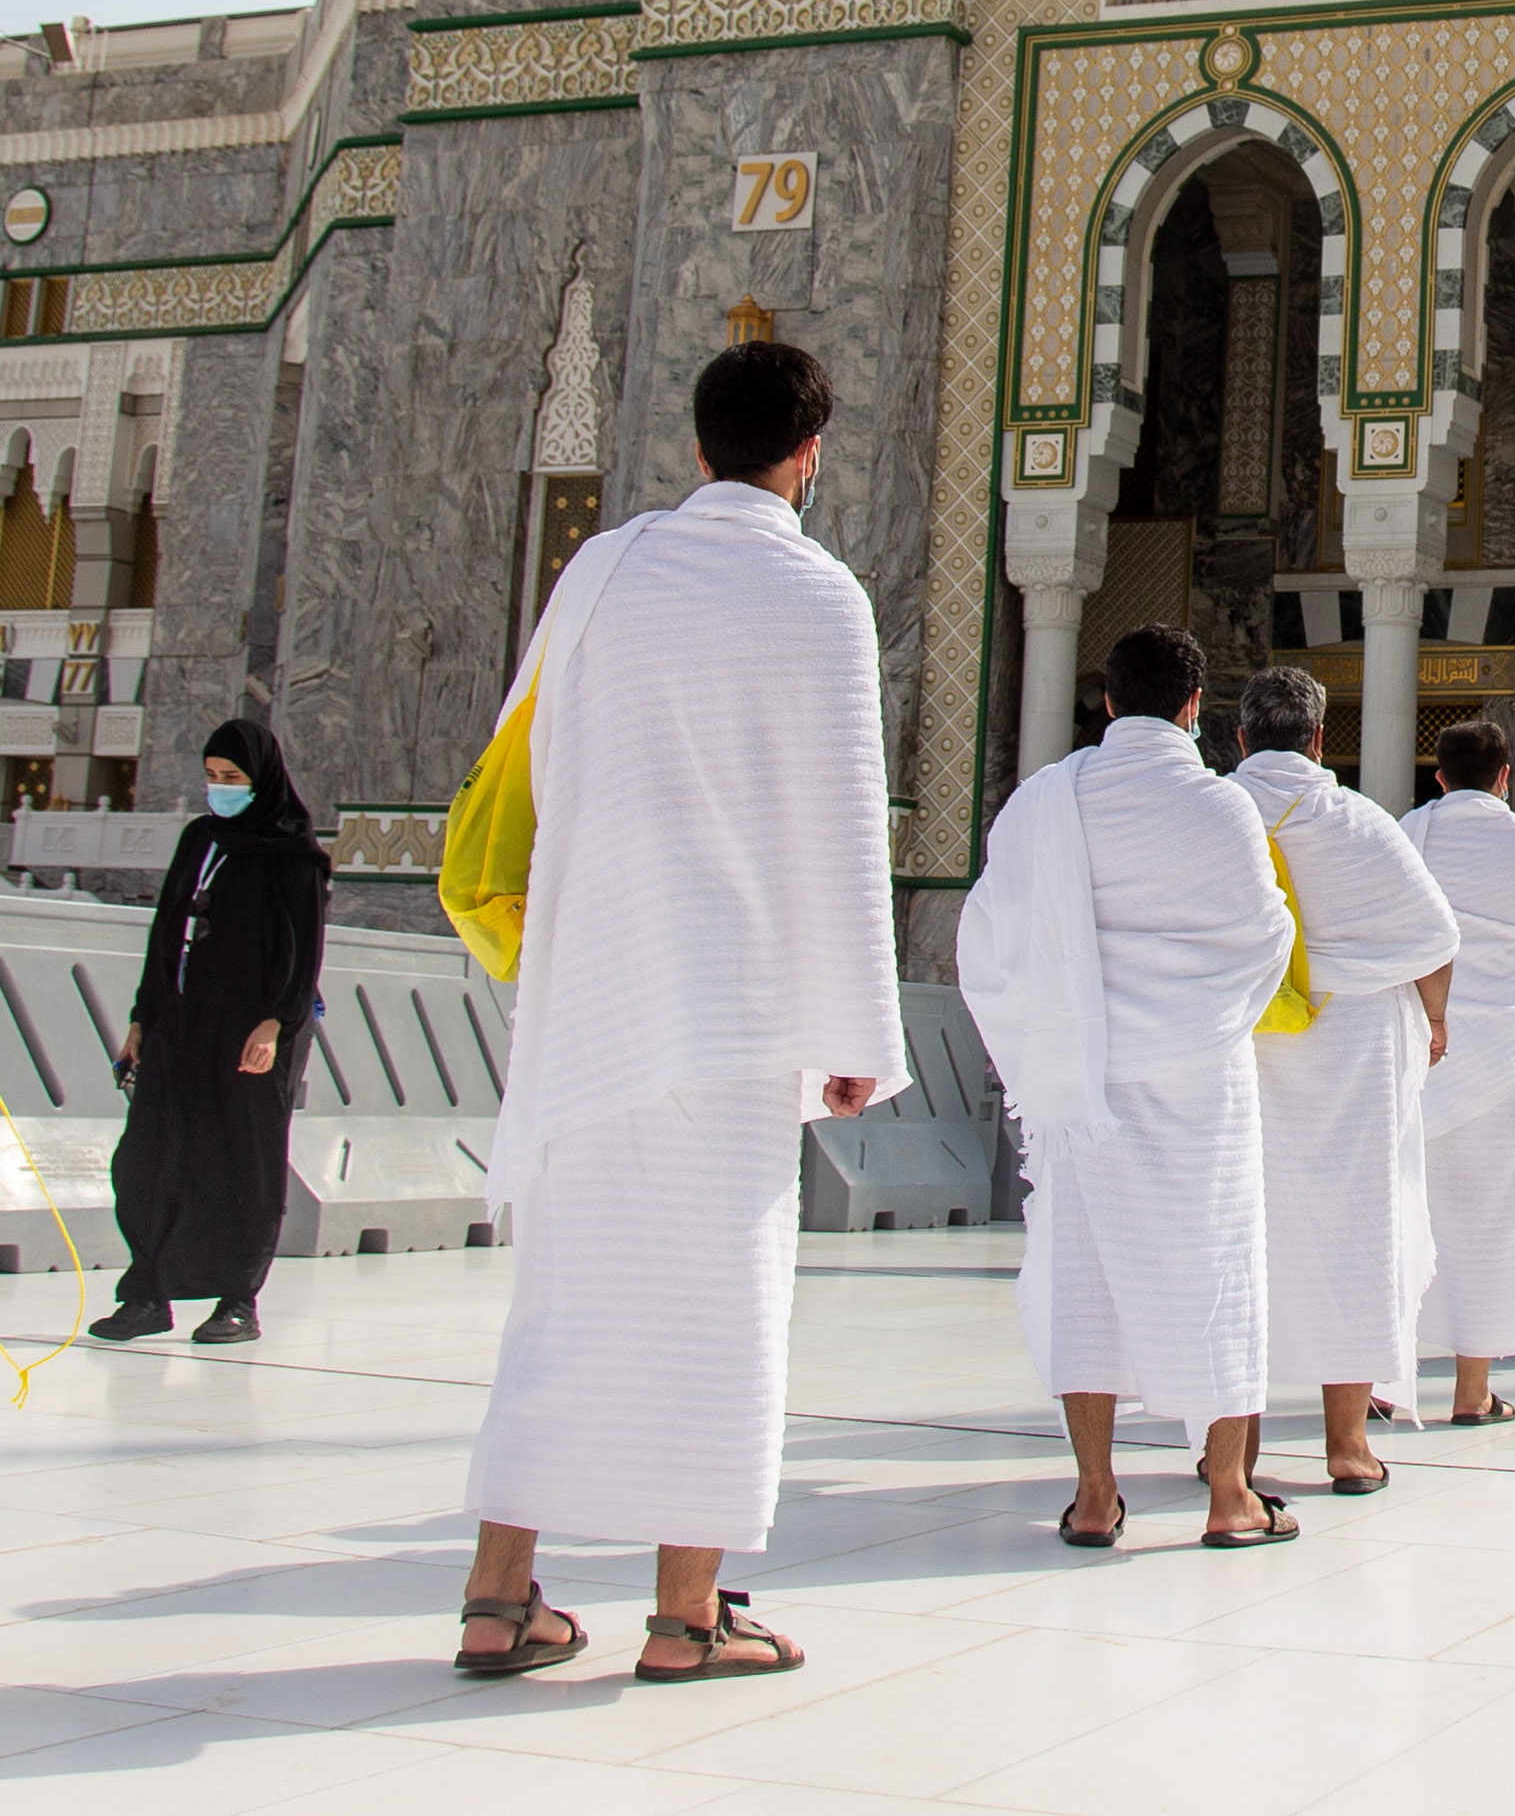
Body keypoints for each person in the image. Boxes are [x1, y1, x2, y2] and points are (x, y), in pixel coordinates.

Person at [454, 342, 907, 1681]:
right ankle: (687, 1615)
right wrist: (854, 1036)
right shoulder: (819, 596)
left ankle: (498, 1597)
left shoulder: (601, 569)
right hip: (733, 1008)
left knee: (561, 1302)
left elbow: (526, 748)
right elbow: (839, 826)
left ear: (698, 444)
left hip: (594, 988)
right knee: (717, 1305)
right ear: (808, 456)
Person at [958, 624, 1294, 1551]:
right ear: (1194, 709)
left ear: (1106, 702)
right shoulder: (1221, 809)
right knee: (1218, 1272)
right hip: (1197, 1086)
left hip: (1079, 1088)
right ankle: (1230, 1497)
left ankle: (1096, 1494)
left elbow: (986, 940)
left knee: (1088, 1280)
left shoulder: (1041, 803)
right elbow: (1266, 940)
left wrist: (1043, 1048)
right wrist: (1202, 1021)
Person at [1225, 665, 1460, 1497]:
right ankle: (1348, 1444)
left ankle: (1232, 1455)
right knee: (1358, 1230)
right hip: (1355, 1050)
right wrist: (1435, 1020)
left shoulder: (1213, 815)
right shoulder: (1358, 821)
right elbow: (1434, 938)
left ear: (1241, 737)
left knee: (1241, 1234)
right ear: (1321, 739)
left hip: (1241, 1048)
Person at [89, 723, 330, 1347]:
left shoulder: (293, 856)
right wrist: (143, 1017)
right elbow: (165, 932)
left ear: (262, 780)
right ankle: (147, 1292)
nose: (219, 789)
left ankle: (237, 1300)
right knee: (147, 1157)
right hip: (178, 1024)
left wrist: (278, 1021)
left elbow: (304, 953)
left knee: (243, 1163)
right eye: (213, 776)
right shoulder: (200, 839)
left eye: (232, 779)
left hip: (253, 1030)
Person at [1400, 719, 1515, 1426]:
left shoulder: (1408, 835)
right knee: (1491, 1225)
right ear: (1506, 775)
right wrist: (1512, 1021)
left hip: (1420, 1058)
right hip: (1501, 1064)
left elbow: (1392, 936)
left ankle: (1386, 1381)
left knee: (1405, 1216)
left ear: (1438, 775)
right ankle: (1472, 1391)